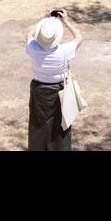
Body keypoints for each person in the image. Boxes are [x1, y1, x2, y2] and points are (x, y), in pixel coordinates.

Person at [25, 8, 83, 151]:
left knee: (37, 124)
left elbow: (28, 34)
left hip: (38, 90)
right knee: (61, 124)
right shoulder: (64, 51)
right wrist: (66, 22)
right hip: (59, 91)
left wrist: (43, 19)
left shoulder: (33, 48)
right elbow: (79, 38)